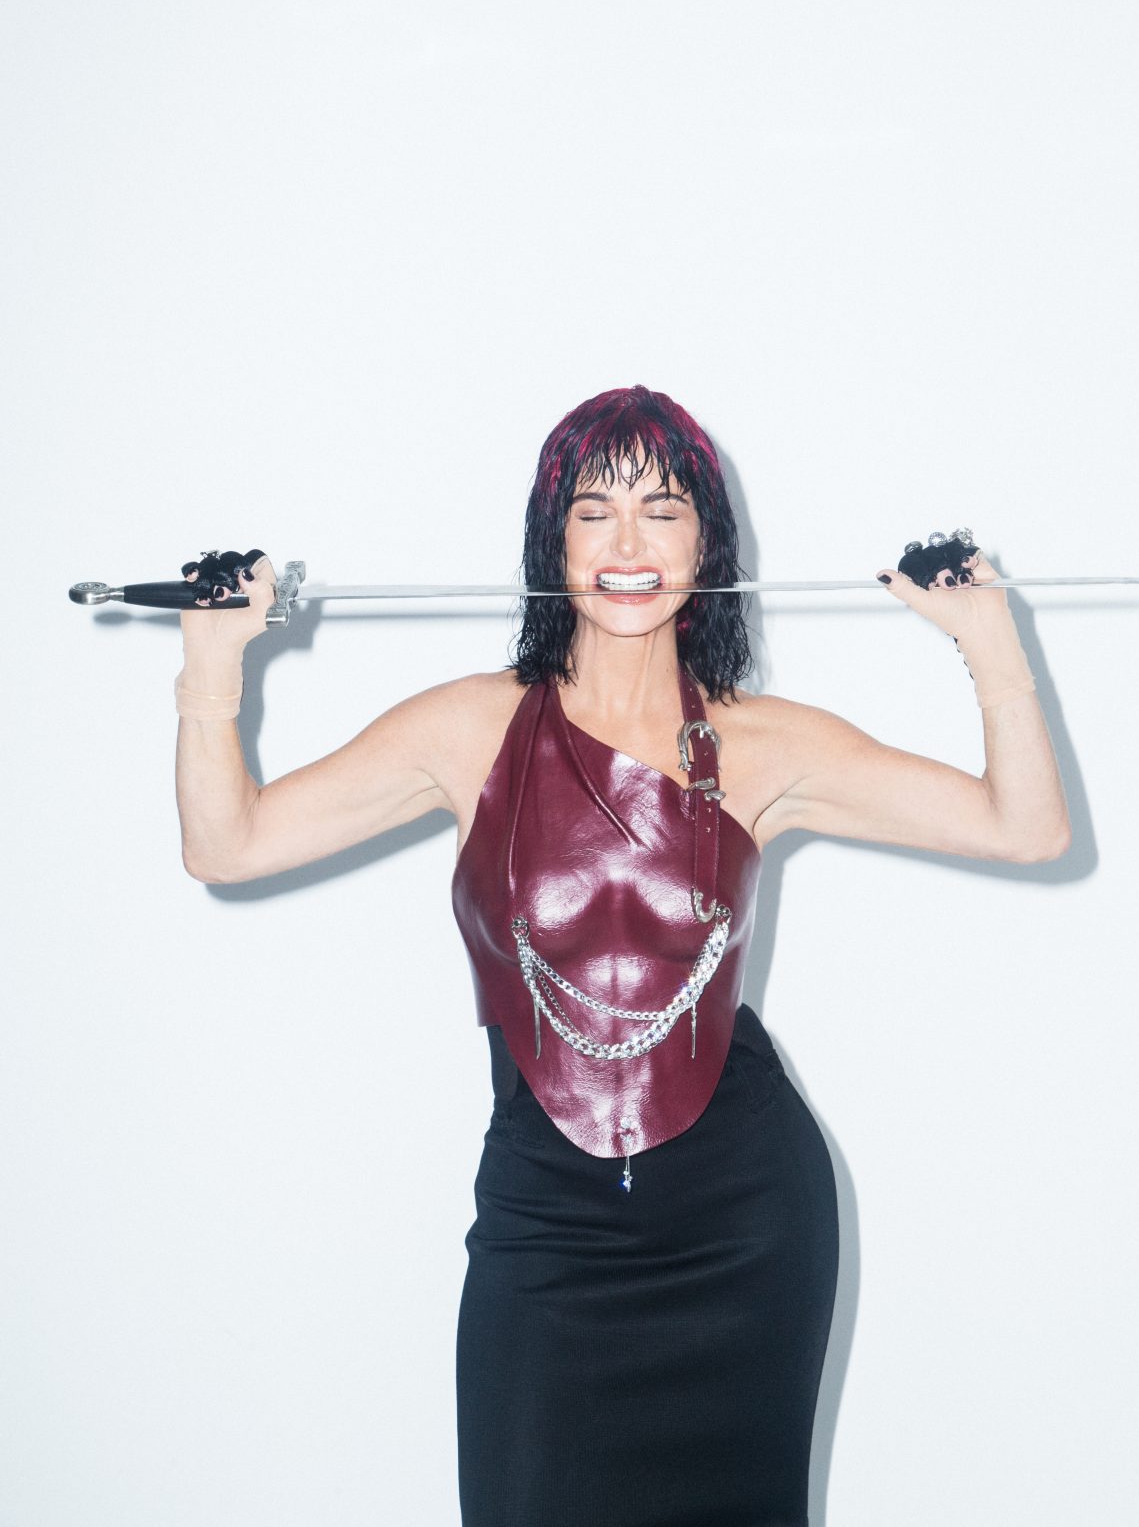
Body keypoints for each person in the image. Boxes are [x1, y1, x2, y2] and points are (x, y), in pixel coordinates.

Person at [174, 385, 1070, 1527]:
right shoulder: (468, 727)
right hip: (545, 1223)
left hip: (743, 1220)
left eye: (662, 510)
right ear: (553, 544)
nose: (628, 546)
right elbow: (228, 846)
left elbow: (1024, 828)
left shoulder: (762, 743)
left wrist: (990, 646)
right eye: (594, 512)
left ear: (706, 544)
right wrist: (212, 667)